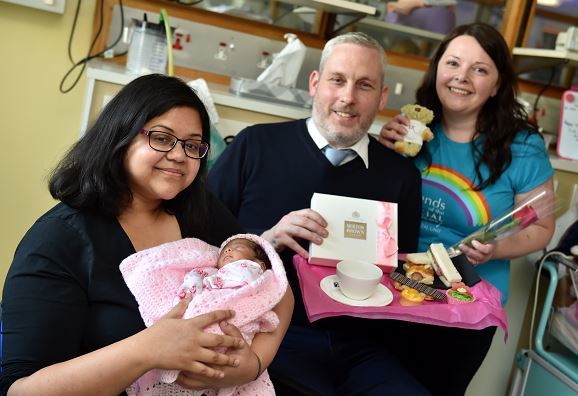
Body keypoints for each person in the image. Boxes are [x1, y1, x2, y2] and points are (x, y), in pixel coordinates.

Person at [0, 74, 293, 396]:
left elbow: (276, 288)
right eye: (163, 138)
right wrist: (145, 351)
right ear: (120, 137)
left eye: (193, 145)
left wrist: (251, 365)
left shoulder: (200, 211)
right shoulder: (58, 241)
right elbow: (20, 389)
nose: (180, 155)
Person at [208, 32, 427, 395]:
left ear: (382, 97)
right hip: (267, 333)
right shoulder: (255, 146)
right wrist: (268, 240)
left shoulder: (402, 177)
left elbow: (399, 276)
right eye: (337, 80)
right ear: (315, 83)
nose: (348, 97)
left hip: (363, 347)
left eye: (365, 85)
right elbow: (199, 246)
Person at [379, 23, 555, 395]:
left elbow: (542, 228)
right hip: (394, 292)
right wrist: (382, 151)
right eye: (453, 63)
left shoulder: (522, 146)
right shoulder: (412, 131)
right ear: (437, 69)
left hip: (462, 307)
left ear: (497, 84)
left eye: (480, 69)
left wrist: (497, 249)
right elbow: (380, 205)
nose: (462, 77)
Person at [120, 233, 288, 396]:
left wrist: (254, 365)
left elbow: (278, 295)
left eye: (237, 247)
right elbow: (193, 284)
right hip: (183, 331)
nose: (228, 251)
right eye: (224, 250)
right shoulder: (209, 272)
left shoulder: (255, 273)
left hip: (233, 325)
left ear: (259, 263)